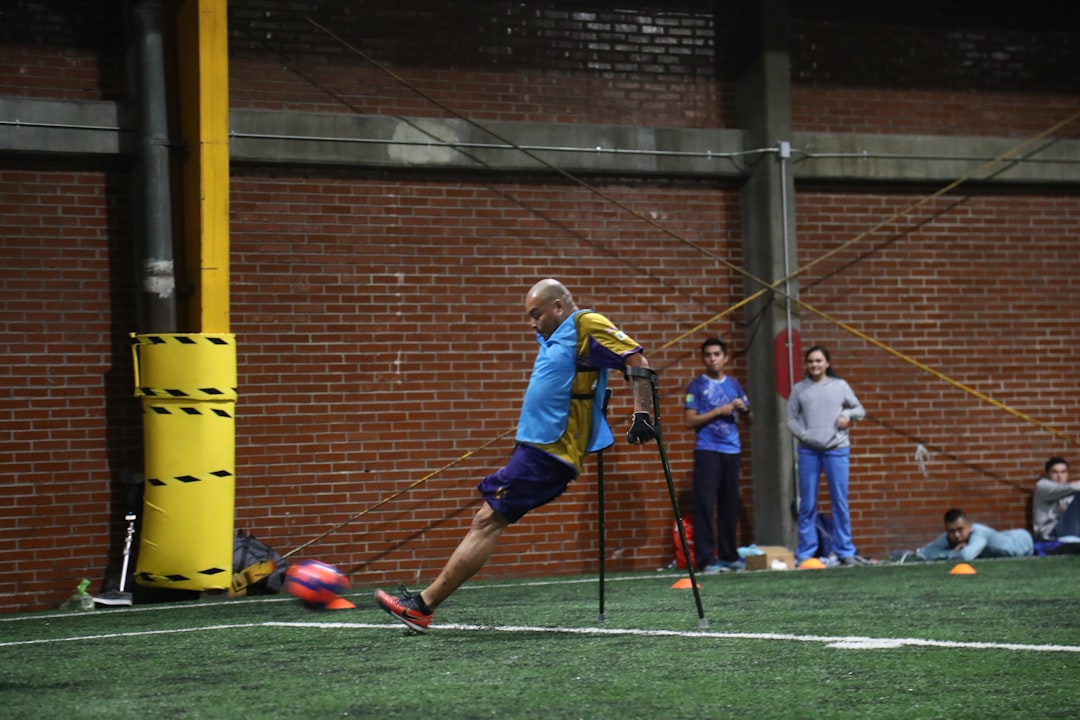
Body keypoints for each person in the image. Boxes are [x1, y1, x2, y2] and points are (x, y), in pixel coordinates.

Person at [375, 278, 657, 632]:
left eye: (536, 314)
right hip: (535, 449)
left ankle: (422, 606)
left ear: (558, 306)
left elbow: (635, 357)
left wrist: (642, 414)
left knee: (486, 520)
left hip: (551, 452)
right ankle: (421, 606)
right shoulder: (553, 339)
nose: (531, 323)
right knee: (487, 519)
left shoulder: (586, 323)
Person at [785, 345, 867, 567]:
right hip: (808, 450)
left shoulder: (840, 386)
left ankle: (845, 550)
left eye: (819, 361)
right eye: (811, 361)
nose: (814, 365)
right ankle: (806, 552)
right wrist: (805, 435)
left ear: (827, 363)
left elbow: (860, 409)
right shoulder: (800, 389)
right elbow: (790, 418)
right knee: (807, 503)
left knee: (839, 502)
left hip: (837, 449)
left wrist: (846, 415)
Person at [683, 337, 751, 573]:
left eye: (716, 354)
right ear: (704, 359)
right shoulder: (696, 386)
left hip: (732, 450)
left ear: (725, 357)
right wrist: (718, 411)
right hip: (707, 450)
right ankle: (705, 559)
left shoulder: (734, 384)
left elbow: (750, 420)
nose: (712, 359)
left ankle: (728, 554)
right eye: (708, 355)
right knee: (704, 504)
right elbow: (689, 421)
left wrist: (744, 411)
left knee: (729, 504)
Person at [915, 508, 1034, 561]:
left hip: (1024, 542)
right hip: (1006, 536)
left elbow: (966, 556)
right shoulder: (948, 538)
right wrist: (951, 552)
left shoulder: (978, 533)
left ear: (969, 526)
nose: (956, 535)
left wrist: (953, 553)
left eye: (960, 530)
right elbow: (924, 554)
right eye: (951, 531)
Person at [1031, 457, 1080, 541]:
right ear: (1047, 474)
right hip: (1049, 534)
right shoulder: (1042, 486)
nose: (1059, 476)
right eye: (1055, 472)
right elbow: (1071, 488)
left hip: (1069, 530)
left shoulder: (1069, 491)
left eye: (1063, 472)